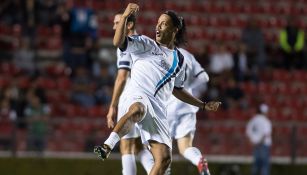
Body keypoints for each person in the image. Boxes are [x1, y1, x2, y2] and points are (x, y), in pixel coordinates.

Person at [94, 3, 221, 175]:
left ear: (174, 29)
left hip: (159, 108)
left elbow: (178, 90)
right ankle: (107, 145)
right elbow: (118, 41)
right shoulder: (146, 44)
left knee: (163, 159)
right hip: (137, 95)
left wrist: (203, 105)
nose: (158, 26)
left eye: (163, 23)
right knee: (138, 109)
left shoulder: (180, 60)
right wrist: (124, 16)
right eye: (158, 23)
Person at [106, 10, 154, 175]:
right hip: (148, 99)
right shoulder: (145, 43)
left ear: (129, 24)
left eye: (117, 23)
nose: (114, 27)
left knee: (126, 147)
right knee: (141, 147)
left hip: (130, 99)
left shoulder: (126, 46)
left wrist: (112, 106)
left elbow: (122, 77)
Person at [167, 47, 211, 175]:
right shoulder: (188, 55)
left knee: (161, 150)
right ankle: (199, 160)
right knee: (185, 147)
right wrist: (186, 88)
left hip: (167, 106)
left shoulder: (160, 53)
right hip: (187, 104)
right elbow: (204, 77)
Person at [246, 104, 272, 175]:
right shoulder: (266, 121)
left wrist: (252, 142)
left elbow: (248, 131)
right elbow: (266, 134)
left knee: (256, 165)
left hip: (255, 145)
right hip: (263, 145)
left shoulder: (253, 119)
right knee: (264, 166)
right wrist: (259, 142)